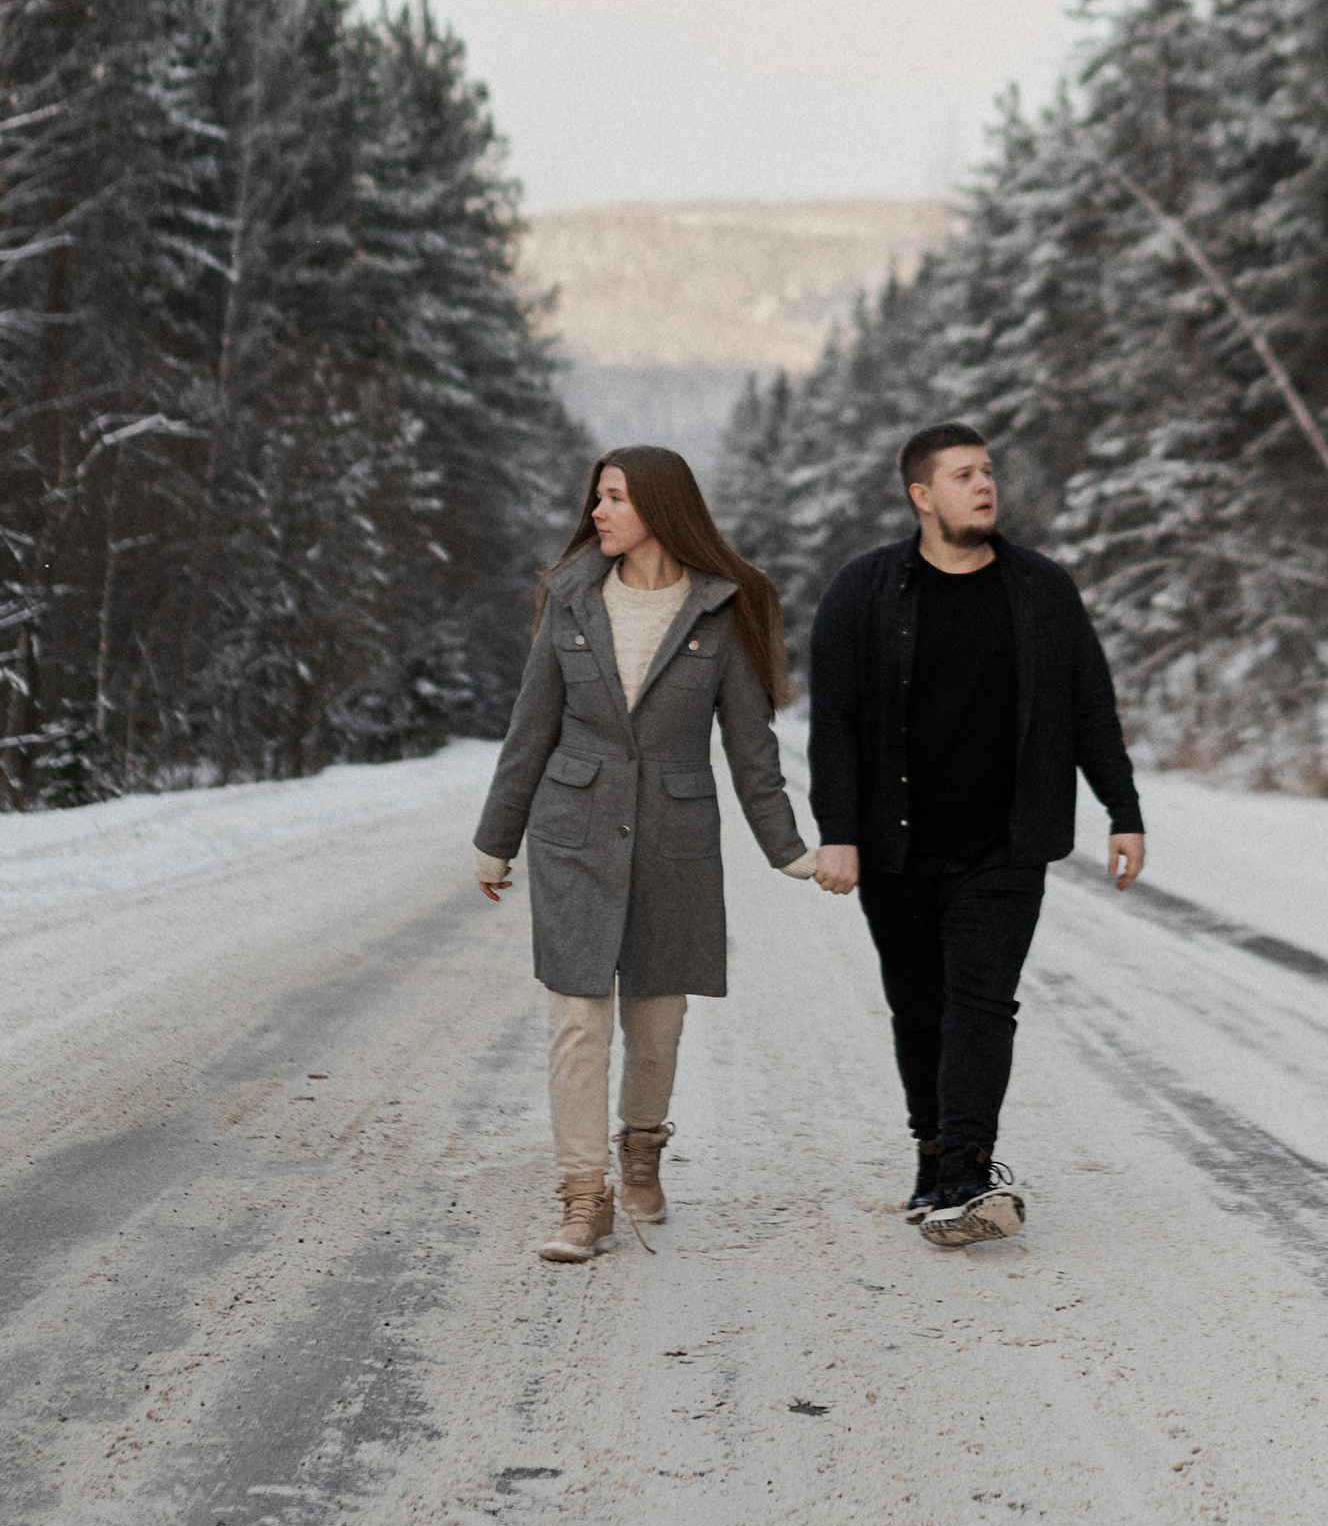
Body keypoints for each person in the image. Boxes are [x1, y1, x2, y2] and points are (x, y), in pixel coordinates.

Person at [476, 446, 820, 1263]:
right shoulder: (569, 600)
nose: (597, 513)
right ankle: (581, 1200)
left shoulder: (718, 611)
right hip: (574, 832)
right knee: (577, 1022)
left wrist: (788, 849)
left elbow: (750, 746)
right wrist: (496, 839)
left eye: (615, 499)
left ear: (661, 510)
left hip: (675, 842)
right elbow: (531, 729)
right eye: (597, 498)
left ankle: (641, 1151)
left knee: (657, 1028)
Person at [807, 423, 1144, 1249]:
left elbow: (1089, 705)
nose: (985, 486)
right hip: (898, 843)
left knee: (981, 1001)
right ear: (922, 495)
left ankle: (965, 1166)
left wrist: (1122, 809)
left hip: (1006, 842)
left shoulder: (1042, 590)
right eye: (963, 475)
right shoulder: (863, 590)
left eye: (988, 471)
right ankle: (933, 1154)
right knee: (918, 1004)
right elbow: (835, 722)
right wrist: (838, 832)